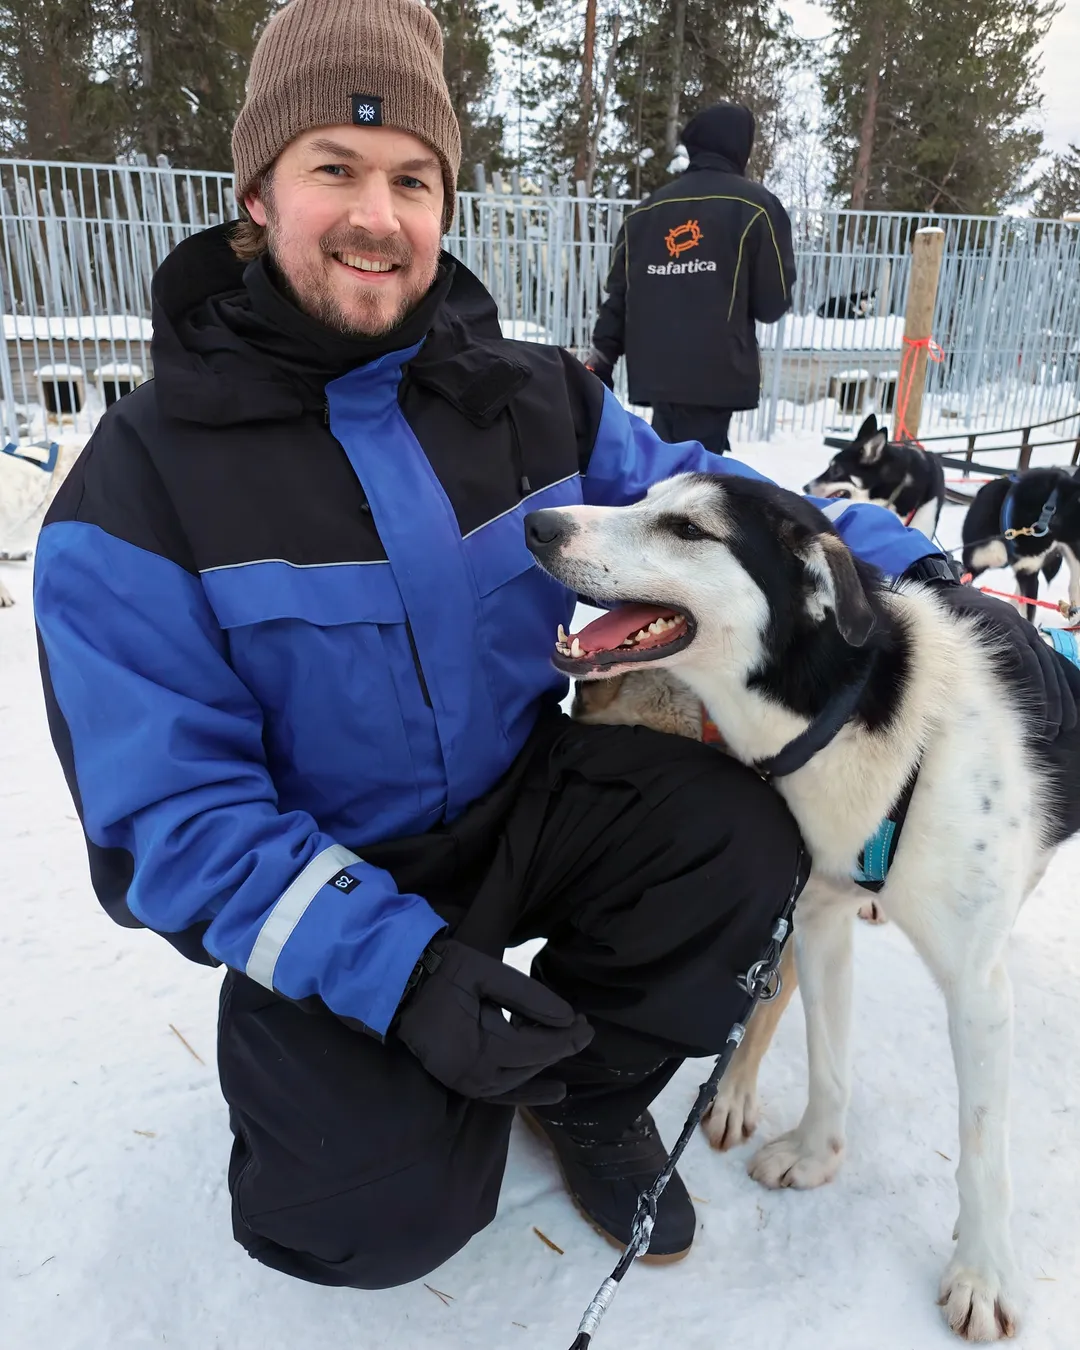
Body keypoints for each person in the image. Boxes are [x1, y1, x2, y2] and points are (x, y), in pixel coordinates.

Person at [34, 0, 948, 1292]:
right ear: (256, 191)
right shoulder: (137, 492)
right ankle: (383, 1078)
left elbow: (714, 502)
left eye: (413, 179)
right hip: (334, 861)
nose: (378, 216)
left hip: (526, 796)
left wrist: (910, 566)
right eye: (335, 168)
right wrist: (402, 979)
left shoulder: (531, 395)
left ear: (445, 204)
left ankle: (588, 1089)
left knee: (740, 841)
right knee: (364, 1210)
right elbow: (172, 822)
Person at [586, 102, 795, 454]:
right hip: (718, 372)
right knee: (695, 474)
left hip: (655, 374)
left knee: (670, 465)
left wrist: (602, 356)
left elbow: (618, 296)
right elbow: (771, 304)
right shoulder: (757, 207)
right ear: (739, 145)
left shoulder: (644, 213)